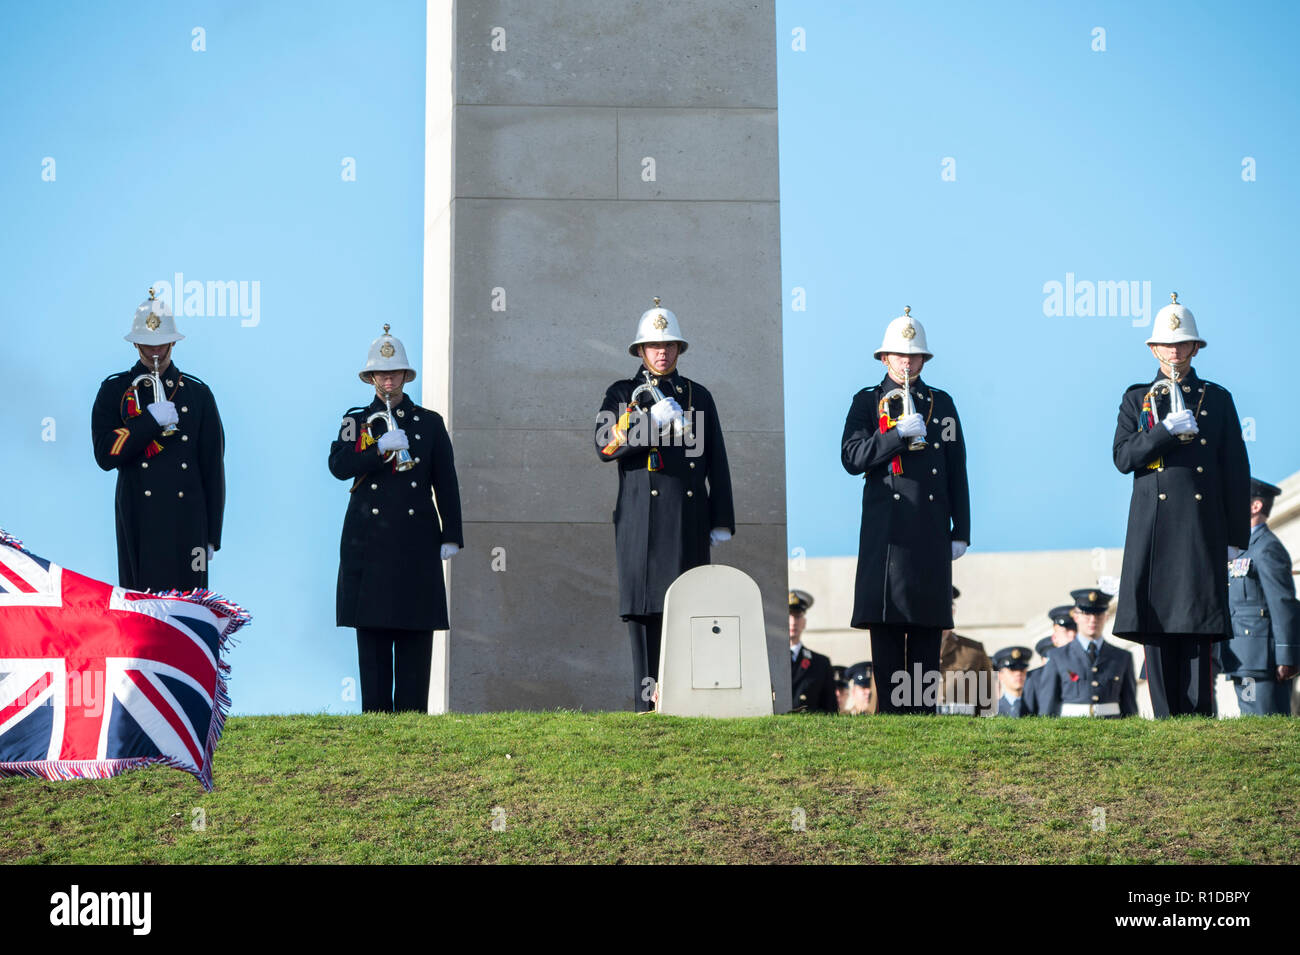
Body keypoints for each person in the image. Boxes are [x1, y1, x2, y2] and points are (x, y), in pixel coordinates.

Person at [1112, 293, 1250, 716]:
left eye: (1182, 344)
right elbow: (1123, 458)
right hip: (1153, 529)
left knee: (1198, 623)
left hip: (1200, 527)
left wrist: (1235, 538)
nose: (1174, 352)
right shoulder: (1137, 399)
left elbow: (1235, 471)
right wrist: (1163, 432)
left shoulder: (1217, 399)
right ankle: (1165, 715)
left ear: (1194, 348)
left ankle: (1200, 714)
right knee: (1157, 626)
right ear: (1154, 349)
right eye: (1166, 345)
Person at [595, 298, 735, 711]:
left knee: (686, 613)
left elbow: (717, 460)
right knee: (643, 615)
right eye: (654, 346)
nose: (662, 352)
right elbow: (605, 445)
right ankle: (646, 707)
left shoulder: (698, 395)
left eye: (670, 345)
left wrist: (720, 517)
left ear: (679, 349)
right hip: (641, 520)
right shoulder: (622, 392)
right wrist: (648, 423)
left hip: (688, 519)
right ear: (640, 350)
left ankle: (683, 704)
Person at [841, 307, 970, 714]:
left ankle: (922, 714)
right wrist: (895, 436)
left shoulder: (942, 403)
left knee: (928, 630)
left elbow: (956, 469)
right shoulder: (866, 402)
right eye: (899, 355)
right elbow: (852, 457)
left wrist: (961, 529)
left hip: (930, 532)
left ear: (923, 360)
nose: (907, 362)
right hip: (888, 537)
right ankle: (894, 716)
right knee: (889, 630)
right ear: (885, 359)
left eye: (914, 356)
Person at [329, 324, 463, 713]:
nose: (388, 380)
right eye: (380, 374)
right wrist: (377, 450)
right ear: (370, 378)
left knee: (415, 632)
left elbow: (446, 481)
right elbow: (338, 465)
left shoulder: (429, 422)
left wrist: (451, 532)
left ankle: (412, 720)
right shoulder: (356, 421)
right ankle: (373, 719)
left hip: (415, 540)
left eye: (395, 373)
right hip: (368, 541)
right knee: (371, 636)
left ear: (406, 376)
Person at [92, 289, 225, 592]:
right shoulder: (115, 390)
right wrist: (149, 422)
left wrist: (211, 536)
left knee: (187, 616)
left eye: (161, 343)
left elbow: (212, 468)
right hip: (139, 518)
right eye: (148, 343)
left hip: (188, 523)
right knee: (144, 615)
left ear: (173, 342)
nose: (154, 351)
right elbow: (104, 454)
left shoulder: (198, 394)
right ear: (135, 342)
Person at [1216, 478, 1298, 715]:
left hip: (1262, 661)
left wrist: (1287, 656)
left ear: (1256, 506)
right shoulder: (1243, 548)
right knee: (1251, 729)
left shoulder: (1267, 547)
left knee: (1265, 729)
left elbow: (1282, 604)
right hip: (1243, 659)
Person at [1038, 589, 1138, 718]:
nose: (1092, 620)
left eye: (1098, 614)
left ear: (1106, 617)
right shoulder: (1058, 657)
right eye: (1086, 614)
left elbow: (1129, 708)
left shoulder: (1121, 657)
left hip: (1112, 730)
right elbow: (1047, 708)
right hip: (1071, 730)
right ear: (1076, 616)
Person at [938, 586, 995, 715]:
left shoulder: (973, 650)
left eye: (946, 609)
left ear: (952, 612)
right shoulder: (907, 647)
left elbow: (987, 704)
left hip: (962, 729)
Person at [788, 589, 837, 713]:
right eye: (789, 615)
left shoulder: (820, 663)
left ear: (804, 622)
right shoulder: (769, 661)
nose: (793, 622)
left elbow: (830, 710)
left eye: (798, 616)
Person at [992, 646, 1033, 717]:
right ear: (1000, 675)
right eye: (1012, 669)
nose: (1018, 673)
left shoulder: (1037, 707)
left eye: (1022, 669)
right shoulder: (993, 711)